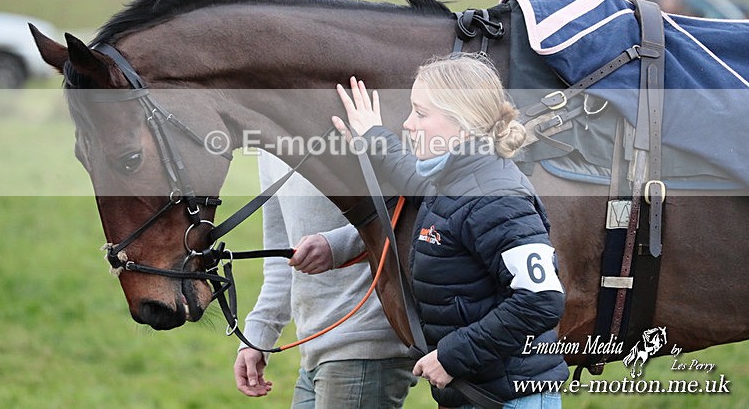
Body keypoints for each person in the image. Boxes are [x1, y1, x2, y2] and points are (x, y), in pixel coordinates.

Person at [330, 54, 569, 408]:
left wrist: (451, 357)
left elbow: (541, 300)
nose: (408, 124)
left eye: (421, 113)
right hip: (479, 393)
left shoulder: (497, 199)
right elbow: (411, 176)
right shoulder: (451, 178)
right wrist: (373, 136)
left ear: (463, 125)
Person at [232, 151, 417, 408]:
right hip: (313, 348)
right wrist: (258, 336)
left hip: (366, 342)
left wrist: (337, 246)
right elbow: (281, 256)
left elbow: (406, 209)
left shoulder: (362, 122)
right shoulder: (268, 146)